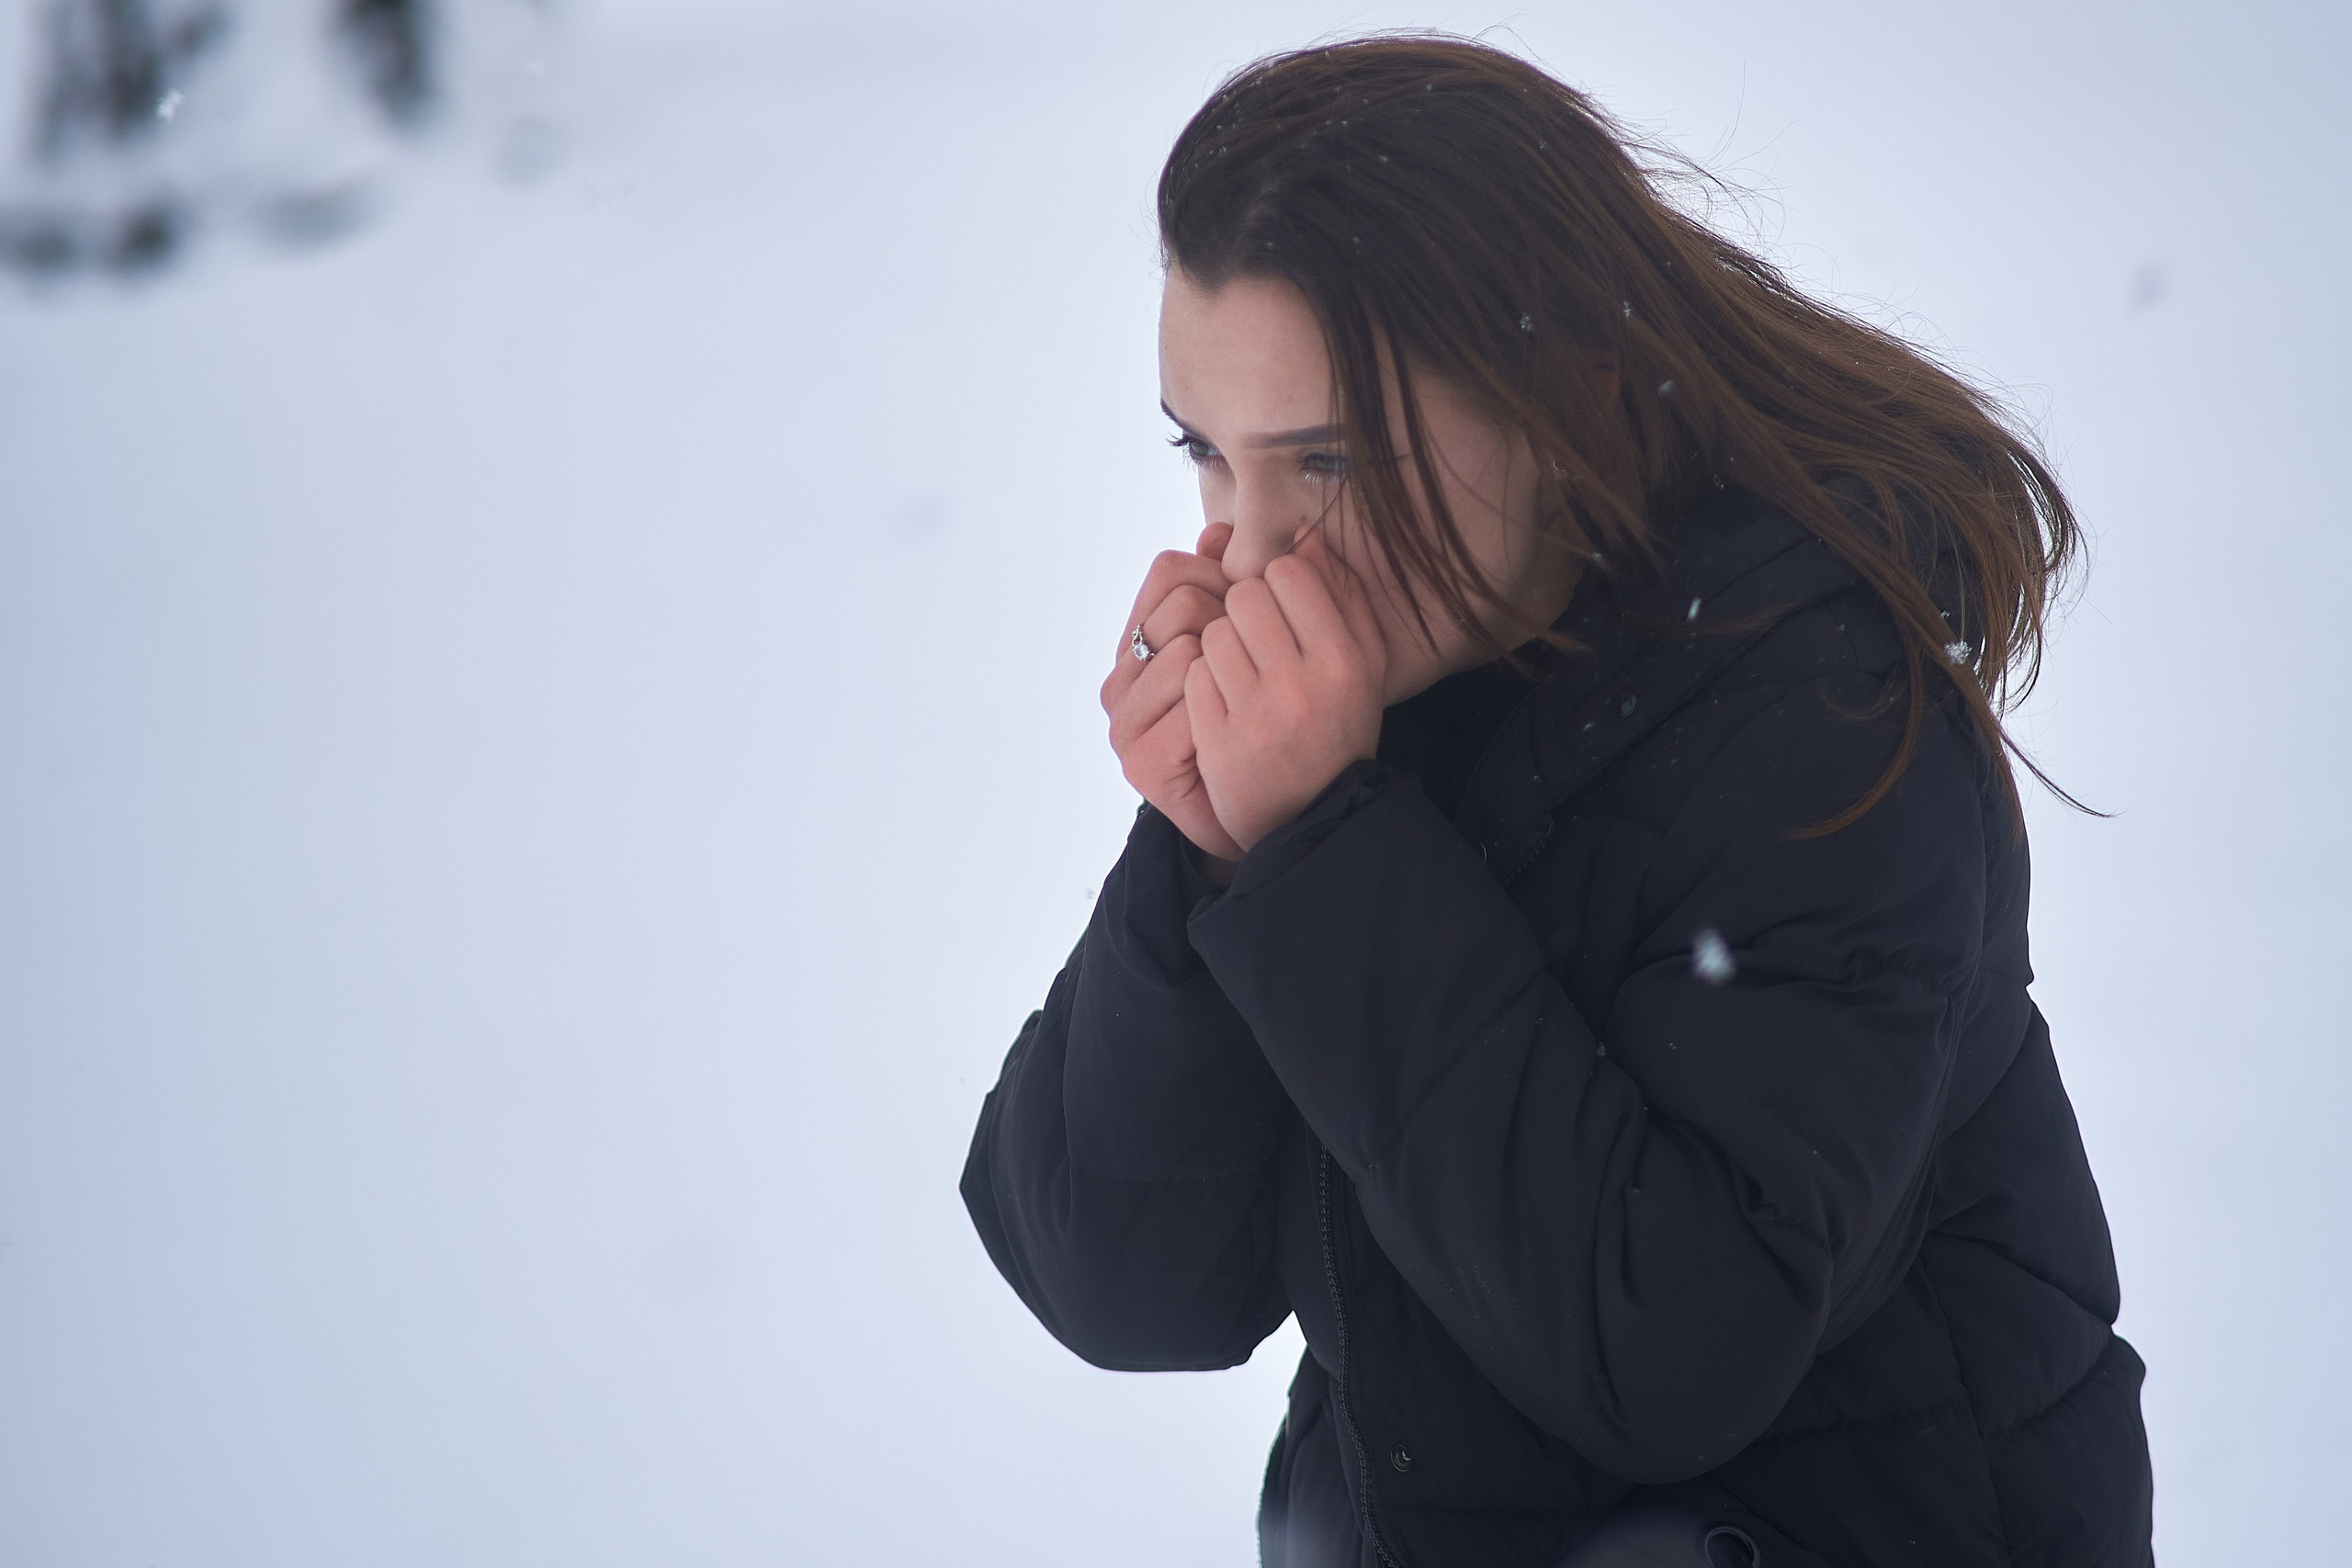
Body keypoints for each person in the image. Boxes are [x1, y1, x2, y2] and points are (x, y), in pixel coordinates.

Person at [961, 33, 2154, 1568]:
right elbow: (1122, 1282)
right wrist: (1208, 851)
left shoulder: (1833, 719)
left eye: (1325, 462)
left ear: (1559, 394)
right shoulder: (1390, 684)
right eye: (1210, 460)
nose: (1247, 554)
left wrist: (1319, 850)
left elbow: (1667, 1357)